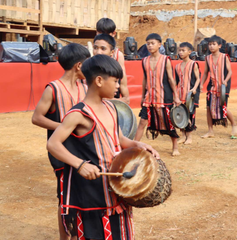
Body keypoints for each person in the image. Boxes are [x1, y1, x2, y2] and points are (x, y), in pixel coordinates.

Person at [47, 54, 159, 240]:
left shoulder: (112, 107)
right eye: (116, 81)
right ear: (99, 80)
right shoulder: (77, 114)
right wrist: (80, 165)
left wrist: (137, 144)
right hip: (93, 194)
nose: (118, 86)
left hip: (116, 186)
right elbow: (53, 143)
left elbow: (120, 138)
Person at [31, 43, 90, 240]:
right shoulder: (53, 89)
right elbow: (37, 118)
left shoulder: (85, 87)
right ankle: (65, 237)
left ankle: (78, 233)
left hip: (84, 150)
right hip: (61, 151)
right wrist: (65, 128)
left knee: (82, 192)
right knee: (65, 197)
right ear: (79, 65)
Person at [134, 33, 181, 156]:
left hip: (164, 97)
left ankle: (175, 147)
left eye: (152, 43)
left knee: (168, 122)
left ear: (159, 44)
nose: (150, 46)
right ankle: (133, 146)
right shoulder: (144, 61)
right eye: (148, 43)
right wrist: (142, 96)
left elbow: (171, 79)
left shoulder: (166, 60)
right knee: (143, 121)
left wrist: (176, 96)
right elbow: (145, 79)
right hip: (149, 97)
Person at [200, 35, 237, 138]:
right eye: (210, 44)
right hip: (212, 86)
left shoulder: (224, 57)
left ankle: (234, 124)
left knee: (223, 106)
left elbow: (230, 71)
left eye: (214, 44)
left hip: (223, 86)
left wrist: (225, 81)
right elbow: (205, 73)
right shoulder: (207, 58)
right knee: (208, 108)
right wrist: (200, 84)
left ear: (219, 46)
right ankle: (210, 131)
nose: (211, 46)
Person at [96, 18, 130, 104]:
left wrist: (125, 98)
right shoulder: (91, 53)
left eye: (106, 34)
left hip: (113, 99)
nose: (103, 38)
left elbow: (122, 81)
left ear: (113, 34)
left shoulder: (118, 55)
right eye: (100, 33)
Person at [175, 42, 201, 144]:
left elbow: (198, 78)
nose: (180, 52)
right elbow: (176, 81)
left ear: (189, 52)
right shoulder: (177, 66)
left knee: (190, 115)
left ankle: (189, 137)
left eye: (183, 50)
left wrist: (194, 88)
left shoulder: (194, 64)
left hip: (189, 95)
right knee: (181, 115)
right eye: (179, 50)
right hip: (180, 94)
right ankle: (183, 135)